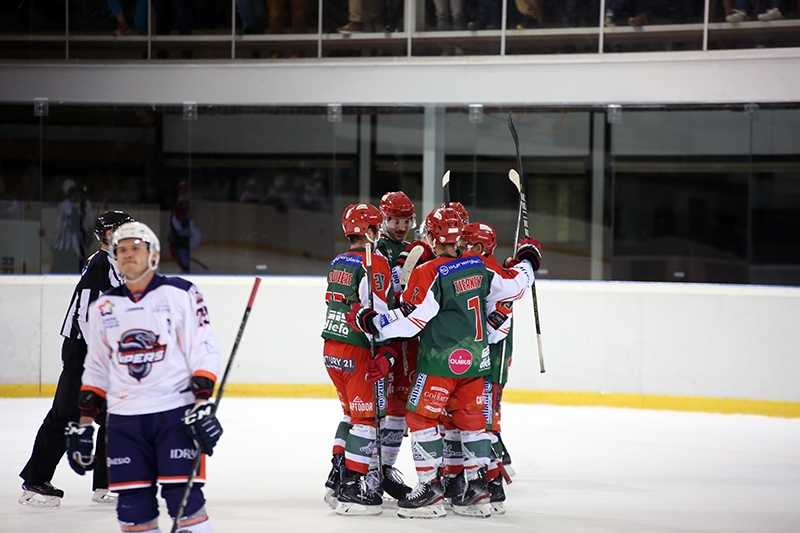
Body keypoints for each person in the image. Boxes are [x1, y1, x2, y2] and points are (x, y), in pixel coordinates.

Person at [346, 206, 542, 518]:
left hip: (440, 363)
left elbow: (413, 320)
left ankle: (430, 491)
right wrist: (530, 259)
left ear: (434, 238)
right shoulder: (479, 266)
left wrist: (373, 322)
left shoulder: (430, 271)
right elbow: (516, 285)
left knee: (421, 418)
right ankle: (477, 490)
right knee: (471, 421)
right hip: (476, 363)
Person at [66, 221, 224, 533]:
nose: (127, 255)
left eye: (135, 248)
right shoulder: (104, 307)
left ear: (152, 255)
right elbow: (96, 368)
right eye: (121, 250)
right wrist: (85, 424)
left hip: (175, 413)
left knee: (184, 500)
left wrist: (202, 402)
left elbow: (203, 348)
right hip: (124, 420)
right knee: (132, 506)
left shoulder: (180, 293)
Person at [19, 211, 134, 509]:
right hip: (84, 352)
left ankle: (107, 484)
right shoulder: (100, 265)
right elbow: (86, 316)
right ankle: (35, 481)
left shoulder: (117, 265)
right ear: (106, 235)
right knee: (66, 416)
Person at [321, 203, 396, 516]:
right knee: (366, 419)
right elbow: (378, 315)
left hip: (332, 347)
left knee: (351, 415)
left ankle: (337, 478)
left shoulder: (338, 260)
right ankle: (354, 486)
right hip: (357, 350)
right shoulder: (373, 262)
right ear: (371, 231)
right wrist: (388, 351)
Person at [51, 179, 94, 274]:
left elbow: (88, 226)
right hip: (64, 251)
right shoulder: (65, 206)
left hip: (76, 251)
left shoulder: (84, 207)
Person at [168, 201, 202, 273]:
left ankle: (185, 266)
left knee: (175, 246)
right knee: (174, 247)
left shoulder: (189, 221)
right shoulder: (175, 220)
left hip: (192, 239)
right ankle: (184, 266)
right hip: (185, 239)